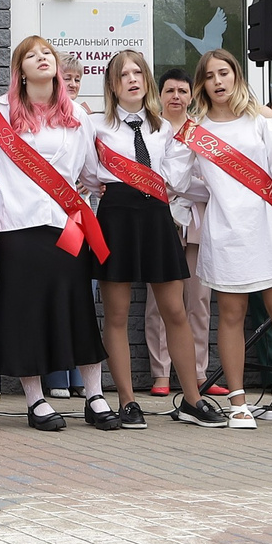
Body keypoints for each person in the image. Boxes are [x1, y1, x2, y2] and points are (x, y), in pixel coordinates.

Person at [0, 35, 109, 431]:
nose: (42, 59)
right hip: (17, 225)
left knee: (77, 306)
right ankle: (36, 400)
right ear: (19, 70)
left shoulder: (79, 115)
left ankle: (95, 395)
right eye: (32, 55)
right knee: (25, 310)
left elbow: (90, 171)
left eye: (47, 54)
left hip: (67, 223)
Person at [180, 49, 272, 430]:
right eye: (209, 76)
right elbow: (179, 180)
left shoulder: (263, 122)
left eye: (224, 73)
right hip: (226, 231)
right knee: (232, 315)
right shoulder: (195, 130)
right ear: (201, 84)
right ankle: (236, 399)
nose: (218, 82)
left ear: (237, 77)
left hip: (270, 225)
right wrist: (212, 196)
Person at [84, 51, 200, 432]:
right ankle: (128, 402)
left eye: (138, 72)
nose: (132, 79)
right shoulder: (95, 126)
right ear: (112, 86)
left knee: (175, 310)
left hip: (156, 217)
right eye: (123, 74)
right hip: (116, 216)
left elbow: (176, 180)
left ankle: (193, 400)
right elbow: (86, 174)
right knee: (117, 314)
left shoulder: (163, 128)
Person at [149, 67, 214, 414]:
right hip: (160, 222)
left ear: (192, 96)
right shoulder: (150, 129)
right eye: (170, 90)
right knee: (160, 304)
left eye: (183, 91)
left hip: (197, 223)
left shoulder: (201, 132)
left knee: (199, 300)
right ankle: (161, 373)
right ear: (160, 94)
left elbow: (210, 181)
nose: (176, 96)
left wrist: (181, 188)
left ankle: (199, 373)